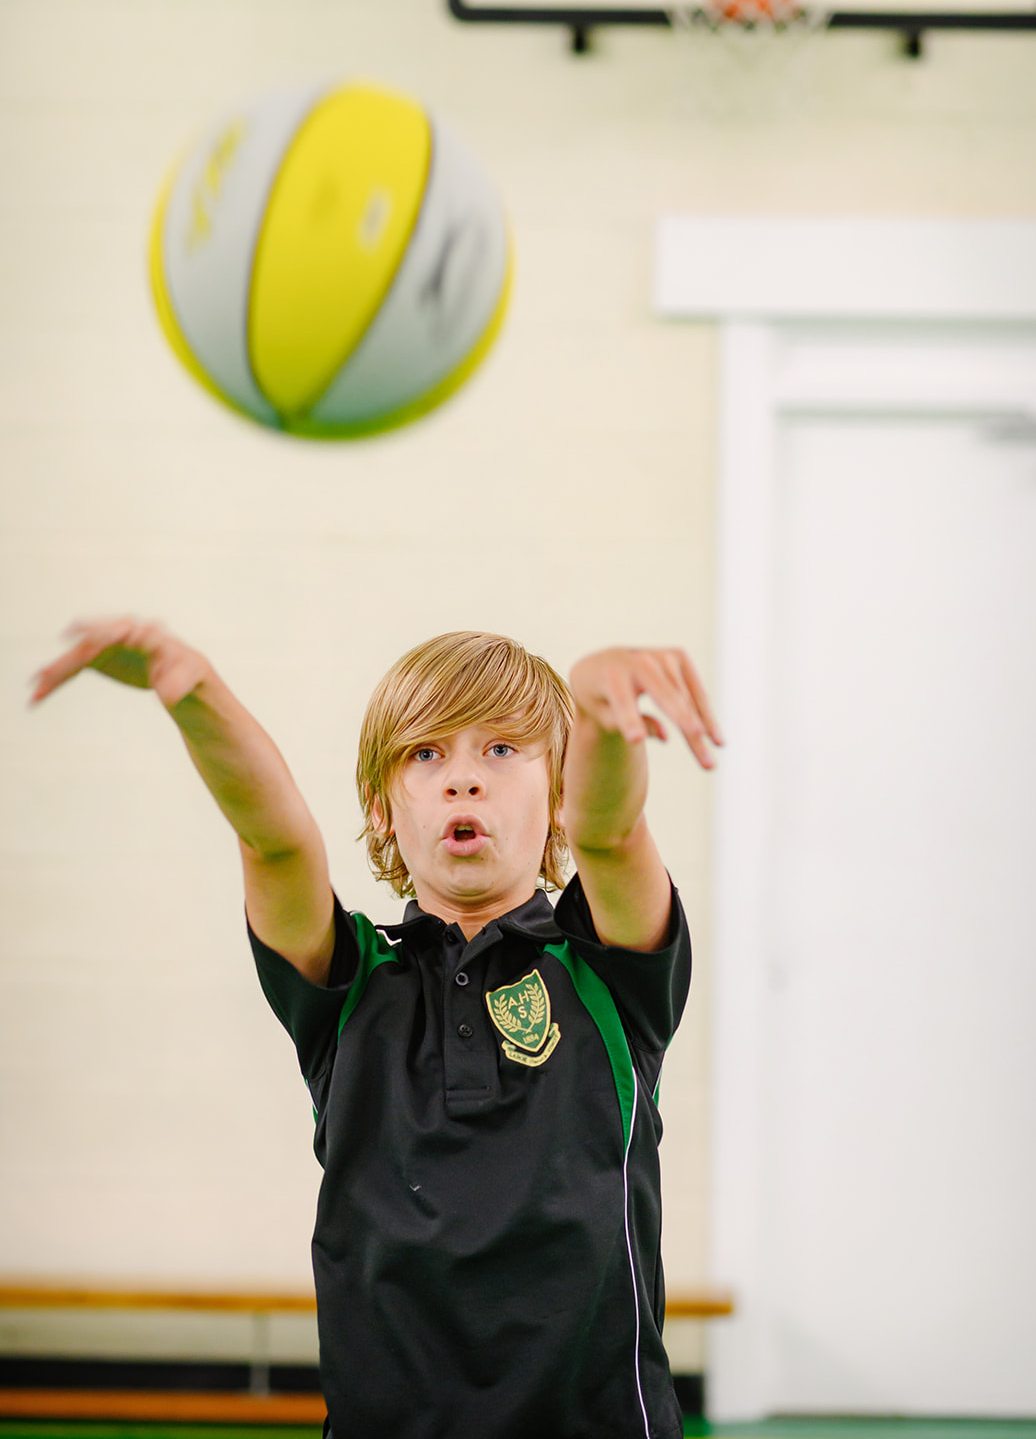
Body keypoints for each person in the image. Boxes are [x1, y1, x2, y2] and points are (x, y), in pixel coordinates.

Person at [31, 617, 723, 1439]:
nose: (463, 779)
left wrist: (600, 706)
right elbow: (276, 842)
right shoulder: (350, 980)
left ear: (560, 798)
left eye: (501, 750)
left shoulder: (606, 965)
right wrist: (192, 688)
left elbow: (611, 834)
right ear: (383, 810)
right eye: (426, 755)